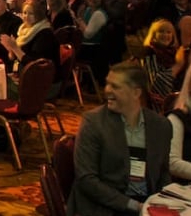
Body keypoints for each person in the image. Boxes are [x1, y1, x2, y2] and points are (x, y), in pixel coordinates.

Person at [68, 61, 174, 215]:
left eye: (115, 87)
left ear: (136, 93)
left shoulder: (161, 126)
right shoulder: (94, 122)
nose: (107, 91)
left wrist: (162, 203)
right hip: (102, 207)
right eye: (107, 84)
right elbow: (87, 179)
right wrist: (133, 206)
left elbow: (163, 172)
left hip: (146, 204)